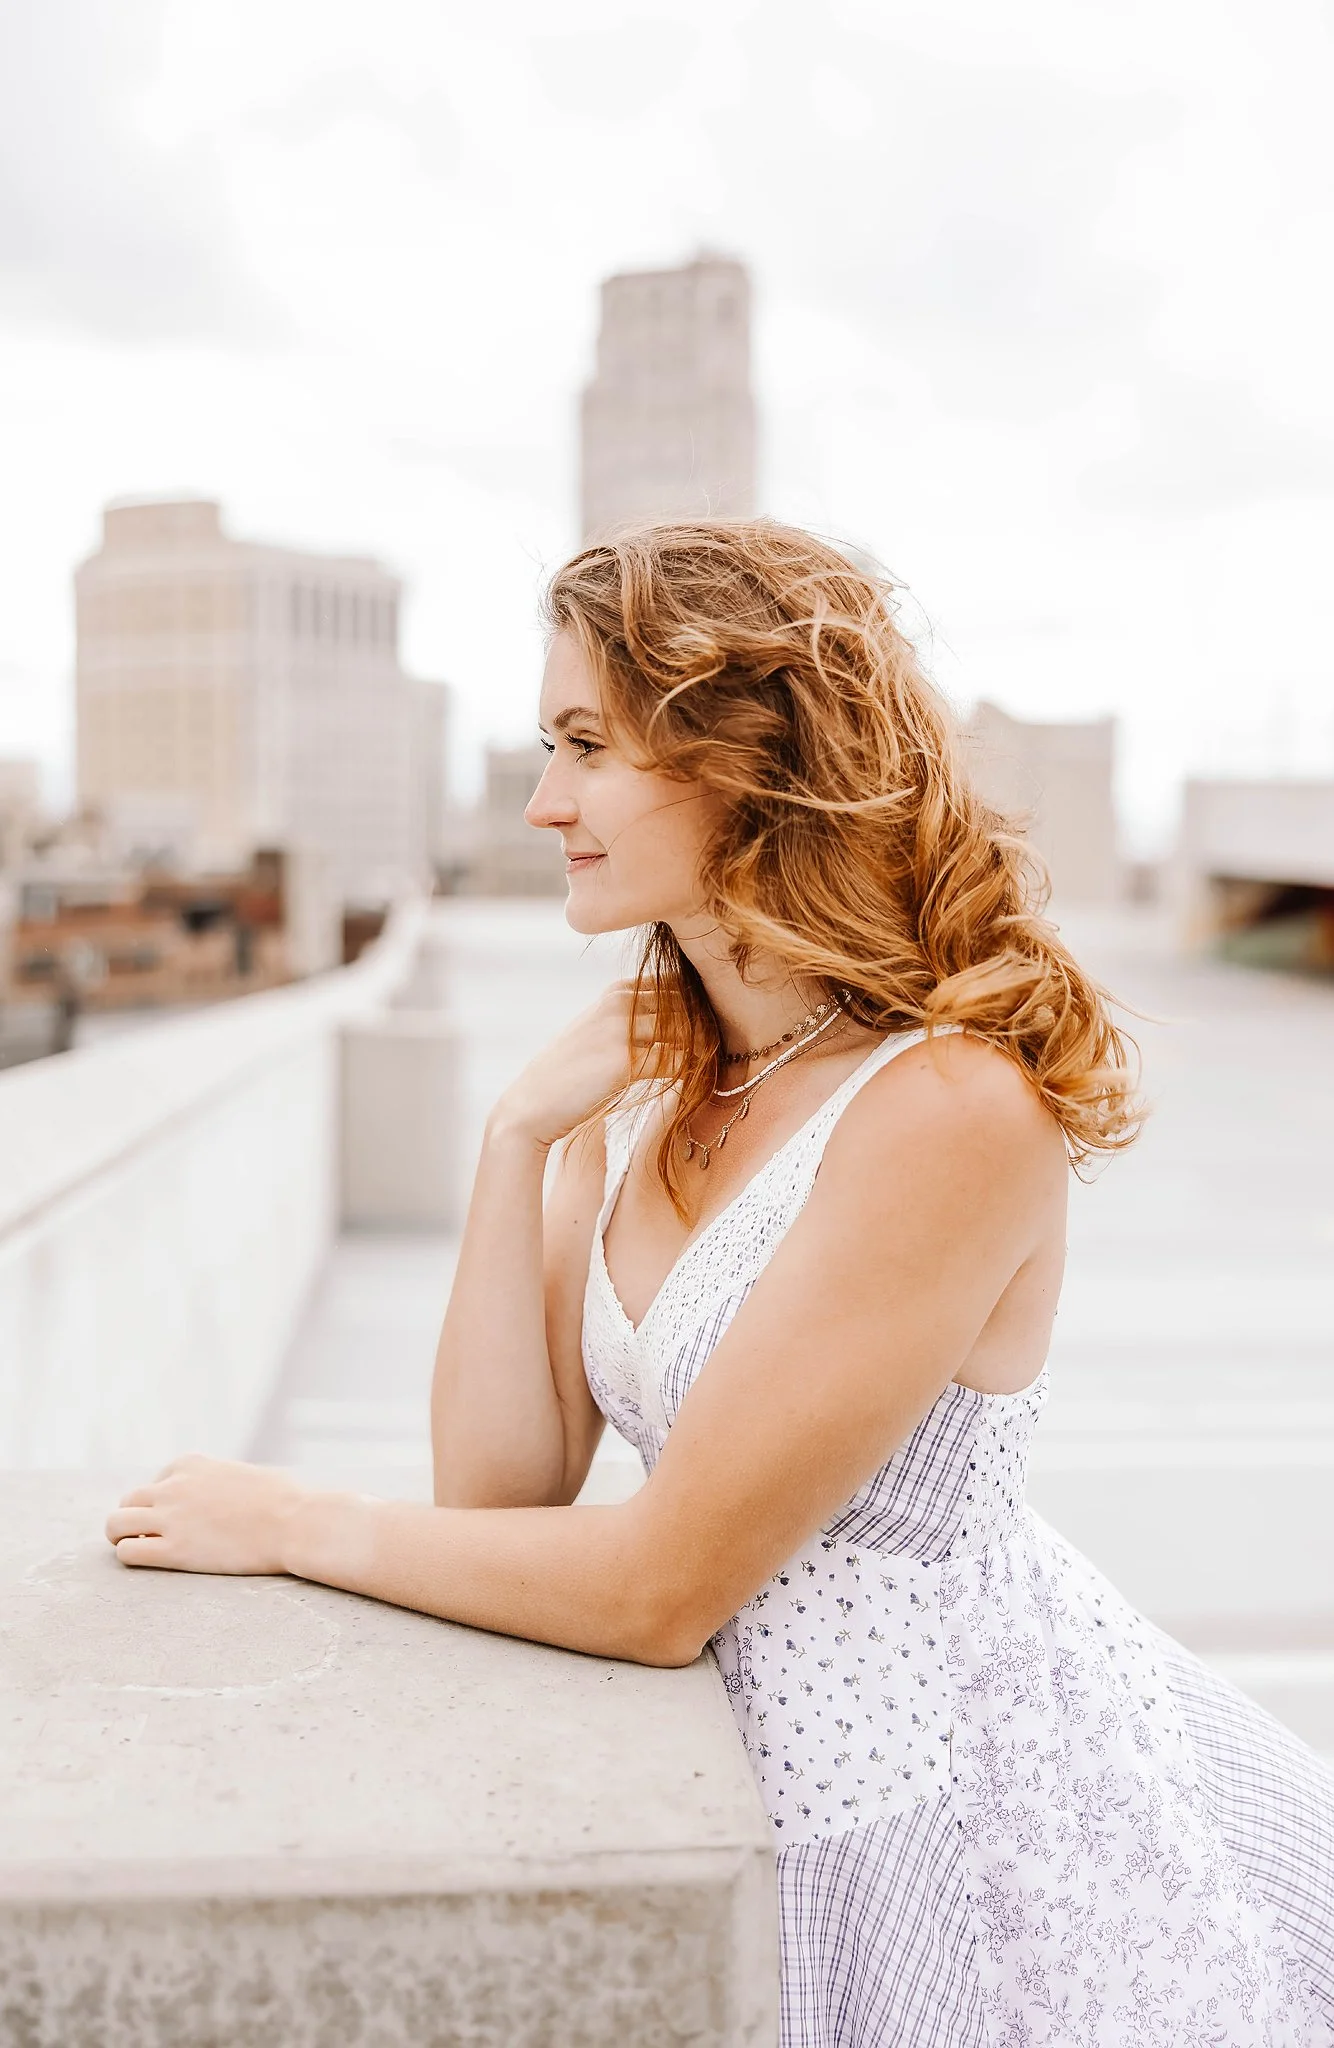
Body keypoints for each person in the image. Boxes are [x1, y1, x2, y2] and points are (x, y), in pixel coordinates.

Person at [107, 520, 1334, 2046]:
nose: (546, 802)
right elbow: (498, 1499)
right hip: (742, 1777)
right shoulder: (651, 1079)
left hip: (948, 1833)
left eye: (585, 748)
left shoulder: (942, 1110)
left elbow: (656, 1589)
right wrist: (514, 1142)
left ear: (748, 759)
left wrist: (292, 1524)